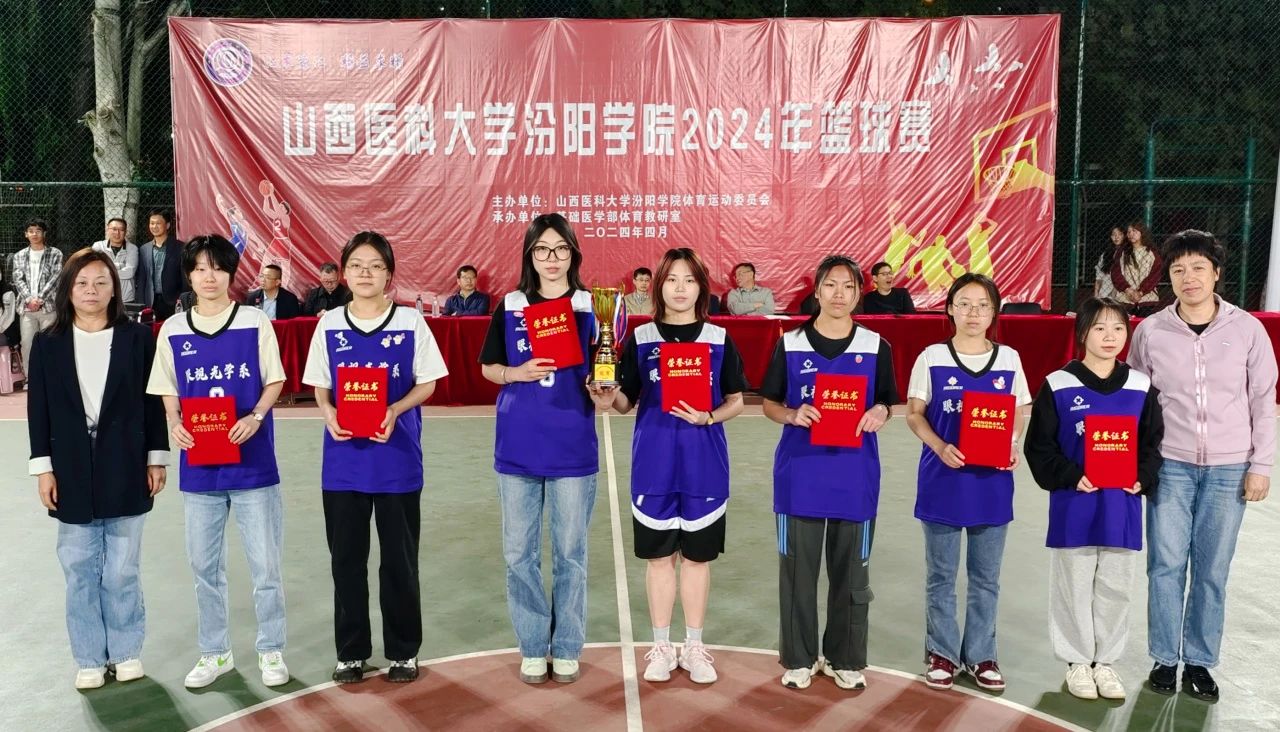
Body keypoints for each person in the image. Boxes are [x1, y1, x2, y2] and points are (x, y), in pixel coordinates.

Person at [1128, 230, 1276, 702]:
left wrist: (1261, 464)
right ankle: (1164, 658)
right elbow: (1136, 402)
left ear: (1216, 273)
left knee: (1212, 570)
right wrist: (1138, 464)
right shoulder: (1150, 331)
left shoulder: (1247, 329)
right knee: (1165, 565)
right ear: (1168, 278)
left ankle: (1199, 661)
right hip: (1170, 466)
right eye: (1177, 270)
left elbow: (1264, 400)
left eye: (1197, 267)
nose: (1187, 277)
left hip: (1231, 468)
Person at [590, 247, 748, 686]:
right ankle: (660, 645)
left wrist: (709, 417)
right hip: (654, 464)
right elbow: (625, 401)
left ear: (702, 287)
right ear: (659, 287)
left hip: (705, 464)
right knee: (659, 559)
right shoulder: (641, 338)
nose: (680, 288)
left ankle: (694, 646)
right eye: (672, 279)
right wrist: (606, 397)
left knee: (696, 559)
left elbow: (736, 400)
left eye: (689, 279)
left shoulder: (718, 338)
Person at [146, 234, 291, 690]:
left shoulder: (253, 321)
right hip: (200, 467)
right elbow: (168, 387)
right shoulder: (173, 329)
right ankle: (216, 652)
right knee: (204, 568)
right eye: (199, 269)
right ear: (188, 276)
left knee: (265, 565)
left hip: (253, 464)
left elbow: (274, 380)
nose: (209, 277)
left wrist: (256, 416)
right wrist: (174, 421)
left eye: (217, 268)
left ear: (231, 273)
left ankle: (271, 648)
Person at [303, 231, 448, 684]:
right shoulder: (329, 324)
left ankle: (404, 651)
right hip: (343, 462)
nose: (365, 273)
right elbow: (320, 385)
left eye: (375, 266)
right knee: (346, 560)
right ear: (344, 273)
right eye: (357, 265)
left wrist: (395, 409)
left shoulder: (410, 322)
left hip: (397, 461)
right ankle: (351, 652)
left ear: (389, 274)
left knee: (399, 561)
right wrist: (328, 412)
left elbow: (428, 382)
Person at [26, 249, 169, 689]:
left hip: (125, 459)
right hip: (69, 464)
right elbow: (38, 410)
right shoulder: (47, 343)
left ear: (114, 289)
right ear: (68, 289)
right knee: (79, 567)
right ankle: (89, 657)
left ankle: (125, 652)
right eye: (82, 283)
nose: (91, 290)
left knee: (122, 567)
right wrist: (43, 469)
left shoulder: (137, 339)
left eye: (101, 282)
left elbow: (152, 403)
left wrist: (156, 457)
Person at [760, 255, 896, 691]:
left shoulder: (876, 346)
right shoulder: (790, 343)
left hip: (855, 477)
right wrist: (791, 414)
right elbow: (769, 403)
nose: (839, 294)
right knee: (798, 575)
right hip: (800, 476)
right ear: (816, 291)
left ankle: (845, 657)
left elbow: (888, 401)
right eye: (831, 285)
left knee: (851, 574)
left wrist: (879, 411)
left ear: (859, 294)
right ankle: (799, 658)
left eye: (848, 286)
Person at [479, 213, 599, 685]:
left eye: (561, 248)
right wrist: (516, 372)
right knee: (518, 554)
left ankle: (566, 645)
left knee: (570, 553)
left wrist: (603, 387)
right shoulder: (510, 306)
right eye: (542, 249)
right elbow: (489, 366)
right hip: (518, 446)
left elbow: (604, 368)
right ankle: (532, 645)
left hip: (573, 446)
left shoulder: (591, 306)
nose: (552, 258)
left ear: (573, 253)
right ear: (530, 255)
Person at [1024, 297, 1164, 701]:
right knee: (1073, 585)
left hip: (1122, 505)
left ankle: (1105, 662)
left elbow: (1153, 444)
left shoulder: (1140, 386)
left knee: (1116, 587)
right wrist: (1070, 476)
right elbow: (1040, 446)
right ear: (1082, 333)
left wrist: (1142, 477)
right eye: (1099, 328)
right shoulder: (1058, 384)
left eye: (1118, 328)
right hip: (1075, 505)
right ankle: (1077, 662)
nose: (1110, 336)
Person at [904, 273, 1031, 693]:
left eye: (982, 305)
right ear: (950, 309)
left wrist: (1011, 443)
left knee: (985, 578)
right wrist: (940, 446)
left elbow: (1018, 410)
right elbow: (914, 414)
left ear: (994, 312)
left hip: (992, 483)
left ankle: (981, 655)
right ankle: (941, 653)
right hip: (943, 479)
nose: (973, 313)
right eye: (964, 304)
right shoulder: (931, 357)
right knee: (941, 575)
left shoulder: (1008, 359)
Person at [10, 218, 64, 374]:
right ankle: (30, 377)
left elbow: (56, 277)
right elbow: (18, 279)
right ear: (26, 234)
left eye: (38, 230)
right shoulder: (19, 255)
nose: (34, 234)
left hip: (49, 307)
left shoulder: (55, 253)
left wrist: (39, 299)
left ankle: (51, 376)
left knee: (50, 343)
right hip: (27, 309)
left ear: (44, 233)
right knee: (27, 344)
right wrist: (29, 300)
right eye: (31, 231)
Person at [137, 208, 187, 320]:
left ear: (167, 225)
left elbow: (184, 278)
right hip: (150, 301)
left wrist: (182, 299)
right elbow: (141, 279)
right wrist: (141, 302)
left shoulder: (180, 247)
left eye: (158, 223)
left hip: (173, 301)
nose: (154, 226)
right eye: (152, 223)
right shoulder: (144, 249)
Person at [1111, 221, 1162, 316]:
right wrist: (1128, 290)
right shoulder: (1122, 252)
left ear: (1142, 232)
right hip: (1125, 298)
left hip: (1147, 299)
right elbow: (1116, 273)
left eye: (1134, 231)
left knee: (1145, 324)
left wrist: (1141, 292)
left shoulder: (1152, 253)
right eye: (1129, 232)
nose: (1131, 234)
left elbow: (1155, 275)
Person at [91, 218, 139, 304]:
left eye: (121, 230)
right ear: (107, 229)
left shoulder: (132, 248)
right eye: (114, 229)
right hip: (102, 296)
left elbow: (130, 273)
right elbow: (95, 269)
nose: (117, 233)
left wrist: (106, 269)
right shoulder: (98, 246)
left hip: (125, 297)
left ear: (125, 232)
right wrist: (120, 265)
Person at [1093, 227, 1124, 299]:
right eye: (1113, 234)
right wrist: (1096, 294)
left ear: (1124, 235)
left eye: (1120, 234)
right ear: (1110, 237)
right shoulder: (1105, 255)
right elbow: (1099, 277)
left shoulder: (1127, 254)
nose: (1116, 237)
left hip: (1121, 294)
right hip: (1105, 292)